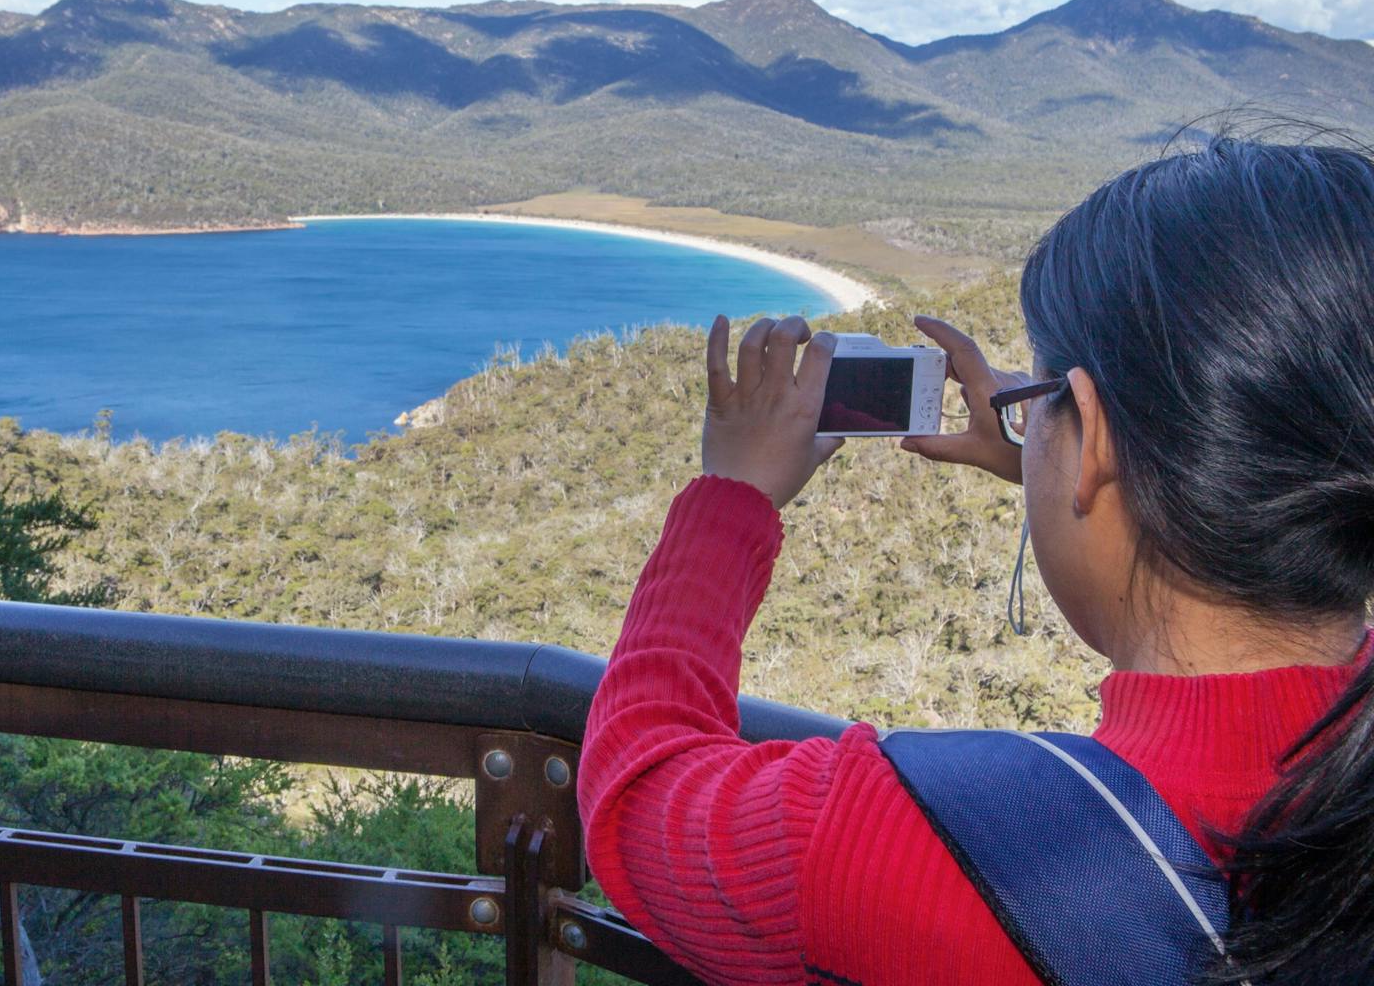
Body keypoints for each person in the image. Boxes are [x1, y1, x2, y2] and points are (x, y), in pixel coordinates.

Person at [577, 136, 1374, 986]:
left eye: (1040, 399)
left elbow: (639, 790)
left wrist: (732, 496)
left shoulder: (901, 837)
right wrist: (1053, 459)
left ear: (1096, 440)